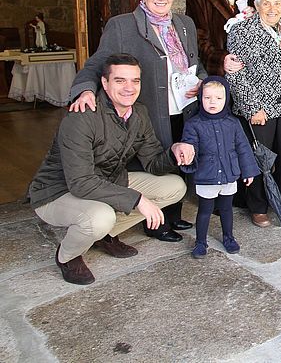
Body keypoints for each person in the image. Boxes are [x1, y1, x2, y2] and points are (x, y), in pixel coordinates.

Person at [29, 54, 193, 285]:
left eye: (135, 81)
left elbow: (154, 162)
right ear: (104, 83)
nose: (129, 88)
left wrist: (175, 151)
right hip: (57, 190)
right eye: (120, 80)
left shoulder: (139, 113)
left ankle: (103, 236)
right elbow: (81, 182)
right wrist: (138, 201)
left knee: (175, 187)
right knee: (100, 217)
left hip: (108, 180)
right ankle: (68, 256)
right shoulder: (82, 116)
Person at [69, 0, 205, 241]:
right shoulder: (122, 25)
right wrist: (84, 90)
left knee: (177, 157)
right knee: (149, 164)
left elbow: (195, 63)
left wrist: (201, 81)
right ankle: (155, 223)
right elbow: (98, 63)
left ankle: (173, 214)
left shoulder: (184, 24)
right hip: (149, 110)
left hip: (183, 108)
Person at [226, 0, 281, 226]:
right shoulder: (241, 31)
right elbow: (236, 74)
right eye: (266, 3)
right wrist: (252, 108)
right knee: (259, 158)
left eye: (276, 3)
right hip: (259, 109)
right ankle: (257, 205)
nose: (272, 8)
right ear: (256, 4)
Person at [180, 77, 259, 258]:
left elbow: (243, 148)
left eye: (218, 98)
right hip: (207, 175)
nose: (213, 102)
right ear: (200, 98)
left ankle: (229, 237)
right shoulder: (193, 124)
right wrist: (186, 155)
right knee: (205, 211)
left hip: (229, 174)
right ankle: (200, 242)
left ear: (226, 99)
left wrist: (248, 171)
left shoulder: (233, 123)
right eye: (207, 98)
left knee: (226, 209)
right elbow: (190, 145)